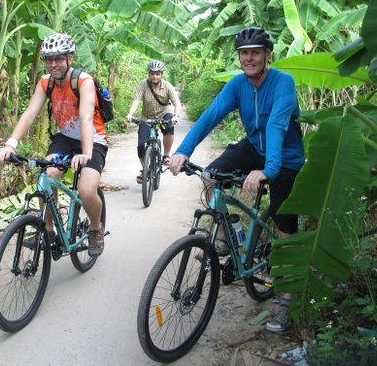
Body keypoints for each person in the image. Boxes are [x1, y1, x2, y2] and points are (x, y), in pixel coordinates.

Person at [168, 27, 305, 333]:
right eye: (244, 53)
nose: (249, 58)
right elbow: (210, 116)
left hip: (286, 159)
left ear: (267, 55)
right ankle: (231, 233)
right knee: (211, 176)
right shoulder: (237, 84)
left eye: (255, 52)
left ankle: (285, 301)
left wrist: (268, 170)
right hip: (255, 148)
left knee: (285, 230)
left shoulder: (283, 82)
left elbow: (278, 126)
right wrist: (183, 151)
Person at [0, 33, 107, 256]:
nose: (53, 64)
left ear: (70, 58)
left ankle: (95, 228)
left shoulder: (83, 81)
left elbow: (86, 118)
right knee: (44, 180)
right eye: (49, 59)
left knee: (86, 191)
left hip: (93, 139)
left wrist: (86, 153)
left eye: (58, 59)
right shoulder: (46, 82)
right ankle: (47, 230)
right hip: (65, 138)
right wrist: (11, 143)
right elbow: (29, 114)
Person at [125, 60, 183, 184]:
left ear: (161, 74)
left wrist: (176, 116)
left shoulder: (167, 86)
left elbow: (177, 103)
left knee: (169, 128)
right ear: (149, 74)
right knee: (141, 146)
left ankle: (166, 155)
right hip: (147, 118)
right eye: (152, 74)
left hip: (164, 114)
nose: (154, 76)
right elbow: (136, 100)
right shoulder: (143, 85)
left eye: (157, 74)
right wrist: (130, 114)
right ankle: (145, 169)